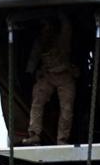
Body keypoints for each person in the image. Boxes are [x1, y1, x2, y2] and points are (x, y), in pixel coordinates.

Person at [23, 13, 76, 145]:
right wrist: (29, 72)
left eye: (46, 26)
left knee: (66, 109)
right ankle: (34, 134)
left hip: (64, 76)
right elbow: (33, 58)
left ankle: (62, 139)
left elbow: (67, 26)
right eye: (43, 27)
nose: (44, 29)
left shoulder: (62, 37)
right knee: (37, 102)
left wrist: (61, 14)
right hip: (47, 76)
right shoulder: (41, 41)